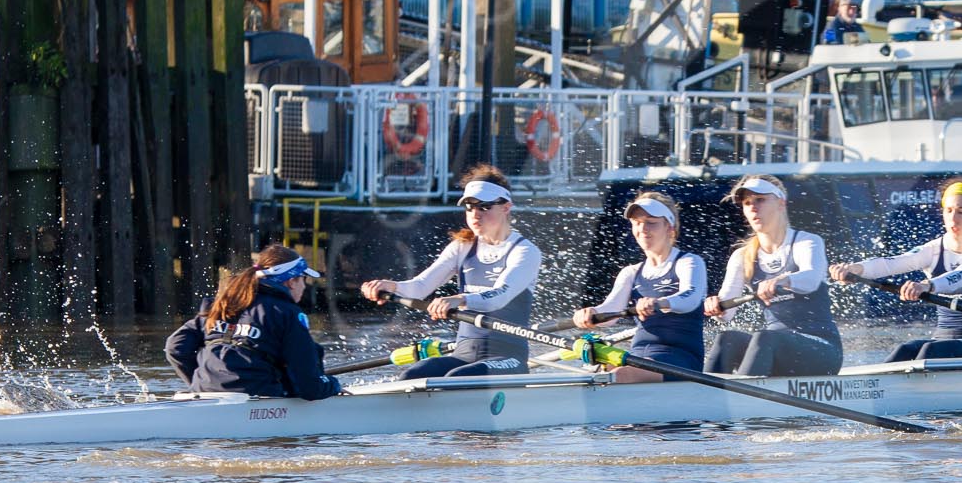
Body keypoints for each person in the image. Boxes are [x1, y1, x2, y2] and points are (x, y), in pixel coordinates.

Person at [360, 166, 543, 379]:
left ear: (506, 207)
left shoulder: (524, 251)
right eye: (469, 207)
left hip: (507, 358)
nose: (475, 214)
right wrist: (392, 286)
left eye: (484, 207)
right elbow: (420, 287)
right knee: (412, 375)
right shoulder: (462, 247)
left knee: (457, 378)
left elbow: (499, 297)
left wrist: (459, 299)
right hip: (464, 353)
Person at [831, 178, 962, 363]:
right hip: (943, 339)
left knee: (930, 351)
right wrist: (856, 269)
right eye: (949, 211)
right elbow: (892, 263)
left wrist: (928, 286)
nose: (954, 218)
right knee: (905, 350)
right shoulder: (933, 250)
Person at [703, 175, 844, 377]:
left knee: (765, 337)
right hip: (776, 349)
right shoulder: (742, 256)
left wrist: (782, 280)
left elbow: (811, 280)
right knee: (727, 338)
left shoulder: (807, 242)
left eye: (760, 200)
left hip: (822, 350)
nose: (753, 208)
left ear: (781, 203)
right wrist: (716, 307)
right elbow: (727, 314)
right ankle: (703, 398)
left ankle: (740, 400)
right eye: (747, 203)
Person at [166, 245, 341, 400]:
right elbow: (311, 388)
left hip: (204, 394)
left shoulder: (220, 304)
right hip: (256, 397)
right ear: (292, 281)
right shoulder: (287, 313)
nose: (305, 286)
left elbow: (175, 347)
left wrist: (201, 383)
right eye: (304, 279)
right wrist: (334, 385)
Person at [574, 192, 708, 383]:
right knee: (598, 368)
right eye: (637, 223)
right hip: (638, 354)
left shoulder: (688, 262)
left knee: (619, 374)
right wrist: (591, 313)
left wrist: (659, 302)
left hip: (680, 358)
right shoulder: (631, 272)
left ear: (669, 227)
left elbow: (690, 299)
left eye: (651, 222)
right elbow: (612, 310)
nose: (642, 228)